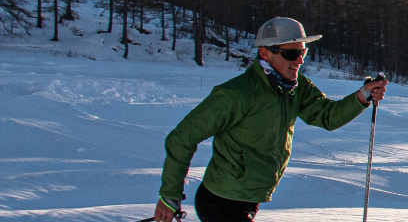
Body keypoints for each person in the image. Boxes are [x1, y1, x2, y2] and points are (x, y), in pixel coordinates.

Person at [153, 16, 388, 222]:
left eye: (303, 52)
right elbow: (182, 138)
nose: (300, 61)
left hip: (249, 199)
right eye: (291, 53)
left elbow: (327, 117)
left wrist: (363, 95)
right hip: (221, 201)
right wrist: (170, 195)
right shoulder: (236, 94)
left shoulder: (296, 88)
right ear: (265, 53)